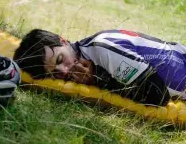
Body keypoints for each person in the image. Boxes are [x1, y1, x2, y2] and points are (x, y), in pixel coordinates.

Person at [14, 29, 186, 106]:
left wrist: (98, 77)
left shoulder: (101, 49)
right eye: (55, 73)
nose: (65, 71)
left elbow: (158, 96)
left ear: (64, 40)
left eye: (60, 59)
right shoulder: (89, 52)